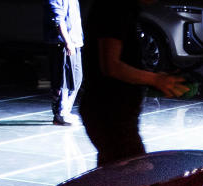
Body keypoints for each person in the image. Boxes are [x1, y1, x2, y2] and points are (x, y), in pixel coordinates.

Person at [79, 0, 188, 166]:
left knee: (115, 175)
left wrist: (154, 79)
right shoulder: (114, 8)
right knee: (133, 176)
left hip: (114, 115)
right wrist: (156, 80)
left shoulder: (124, 9)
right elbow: (111, 66)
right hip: (110, 115)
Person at [44, 0, 84, 125]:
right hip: (62, 43)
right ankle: (60, 113)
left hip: (75, 41)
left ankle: (65, 110)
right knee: (64, 81)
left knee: (77, 79)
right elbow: (58, 20)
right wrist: (67, 42)